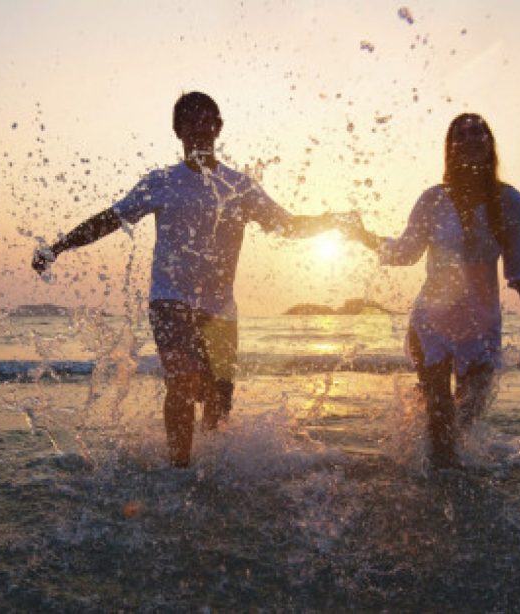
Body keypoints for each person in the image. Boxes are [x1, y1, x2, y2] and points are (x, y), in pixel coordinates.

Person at [32, 91, 346, 467]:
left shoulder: (239, 186)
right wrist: (59, 246)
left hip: (221, 311)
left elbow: (287, 225)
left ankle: (209, 474)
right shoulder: (162, 182)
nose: (199, 128)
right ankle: (179, 470)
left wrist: (333, 221)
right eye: (190, 121)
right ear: (178, 131)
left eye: (206, 120)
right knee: (181, 383)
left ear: (218, 127)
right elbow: (110, 219)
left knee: (219, 400)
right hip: (170, 302)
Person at [344, 113, 520, 468]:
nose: (472, 138)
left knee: (465, 417)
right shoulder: (433, 200)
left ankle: (429, 467)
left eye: (480, 131)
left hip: (481, 324)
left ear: (490, 143)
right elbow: (405, 253)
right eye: (463, 134)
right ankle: (439, 494)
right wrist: (362, 237)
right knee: (440, 417)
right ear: (451, 148)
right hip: (432, 319)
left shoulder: (510, 201)